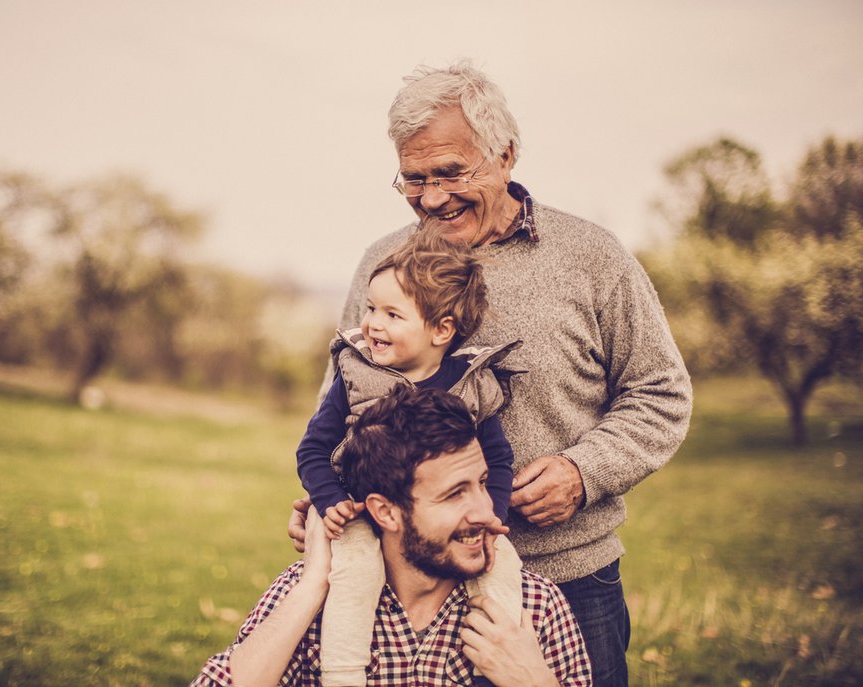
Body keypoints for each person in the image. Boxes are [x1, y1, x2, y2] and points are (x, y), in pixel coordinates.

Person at [289, 61, 693, 687]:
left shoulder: (592, 257)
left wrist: (584, 473)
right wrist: (329, 494)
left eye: (450, 172)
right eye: (413, 179)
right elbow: (344, 405)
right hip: (404, 590)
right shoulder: (383, 263)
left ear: (505, 155)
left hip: (564, 577)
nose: (431, 197)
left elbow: (660, 393)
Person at [190, 386, 592, 687]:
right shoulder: (311, 596)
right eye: (454, 494)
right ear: (385, 511)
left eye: (482, 483)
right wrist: (313, 583)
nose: (487, 513)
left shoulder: (535, 608)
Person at [295, 229, 525, 687]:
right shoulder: (356, 375)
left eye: (392, 314)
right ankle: (342, 674)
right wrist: (329, 499)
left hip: (447, 525)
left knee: (504, 570)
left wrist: (492, 516)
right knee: (355, 573)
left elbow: (497, 460)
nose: (372, 324)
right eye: (370, 309)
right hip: (362, 513)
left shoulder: (470, 383)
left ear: (442, 330)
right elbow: (313, 448)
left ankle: (496, 665)